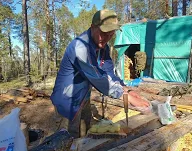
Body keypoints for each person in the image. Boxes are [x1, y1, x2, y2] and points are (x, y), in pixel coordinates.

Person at [50, 9, 150, 138]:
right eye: (104, 33)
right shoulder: (80, 48)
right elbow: (99, 79)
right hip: (67, 101)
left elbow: (109, 71)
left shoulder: (103, 47)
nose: (107, 38)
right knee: (68, 142)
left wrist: (127, 90)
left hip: (83, 98)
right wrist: (127, 98)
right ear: (92, 27)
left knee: (85, 136)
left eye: (111, 34)